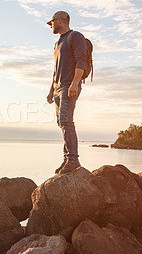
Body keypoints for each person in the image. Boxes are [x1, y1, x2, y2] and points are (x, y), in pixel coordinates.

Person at [46, 11, 87, 174]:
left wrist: (75, 84)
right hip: (58, 88)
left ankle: (73, 159)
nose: (51, 26)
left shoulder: (75, 36)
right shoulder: (57, 44)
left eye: (52, 22)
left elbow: (81, 60)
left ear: (61, 21)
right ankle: (66, 159)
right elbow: (55, 71)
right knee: (62, 123)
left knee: (66, 121)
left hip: (69, 86)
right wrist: (50, 91)